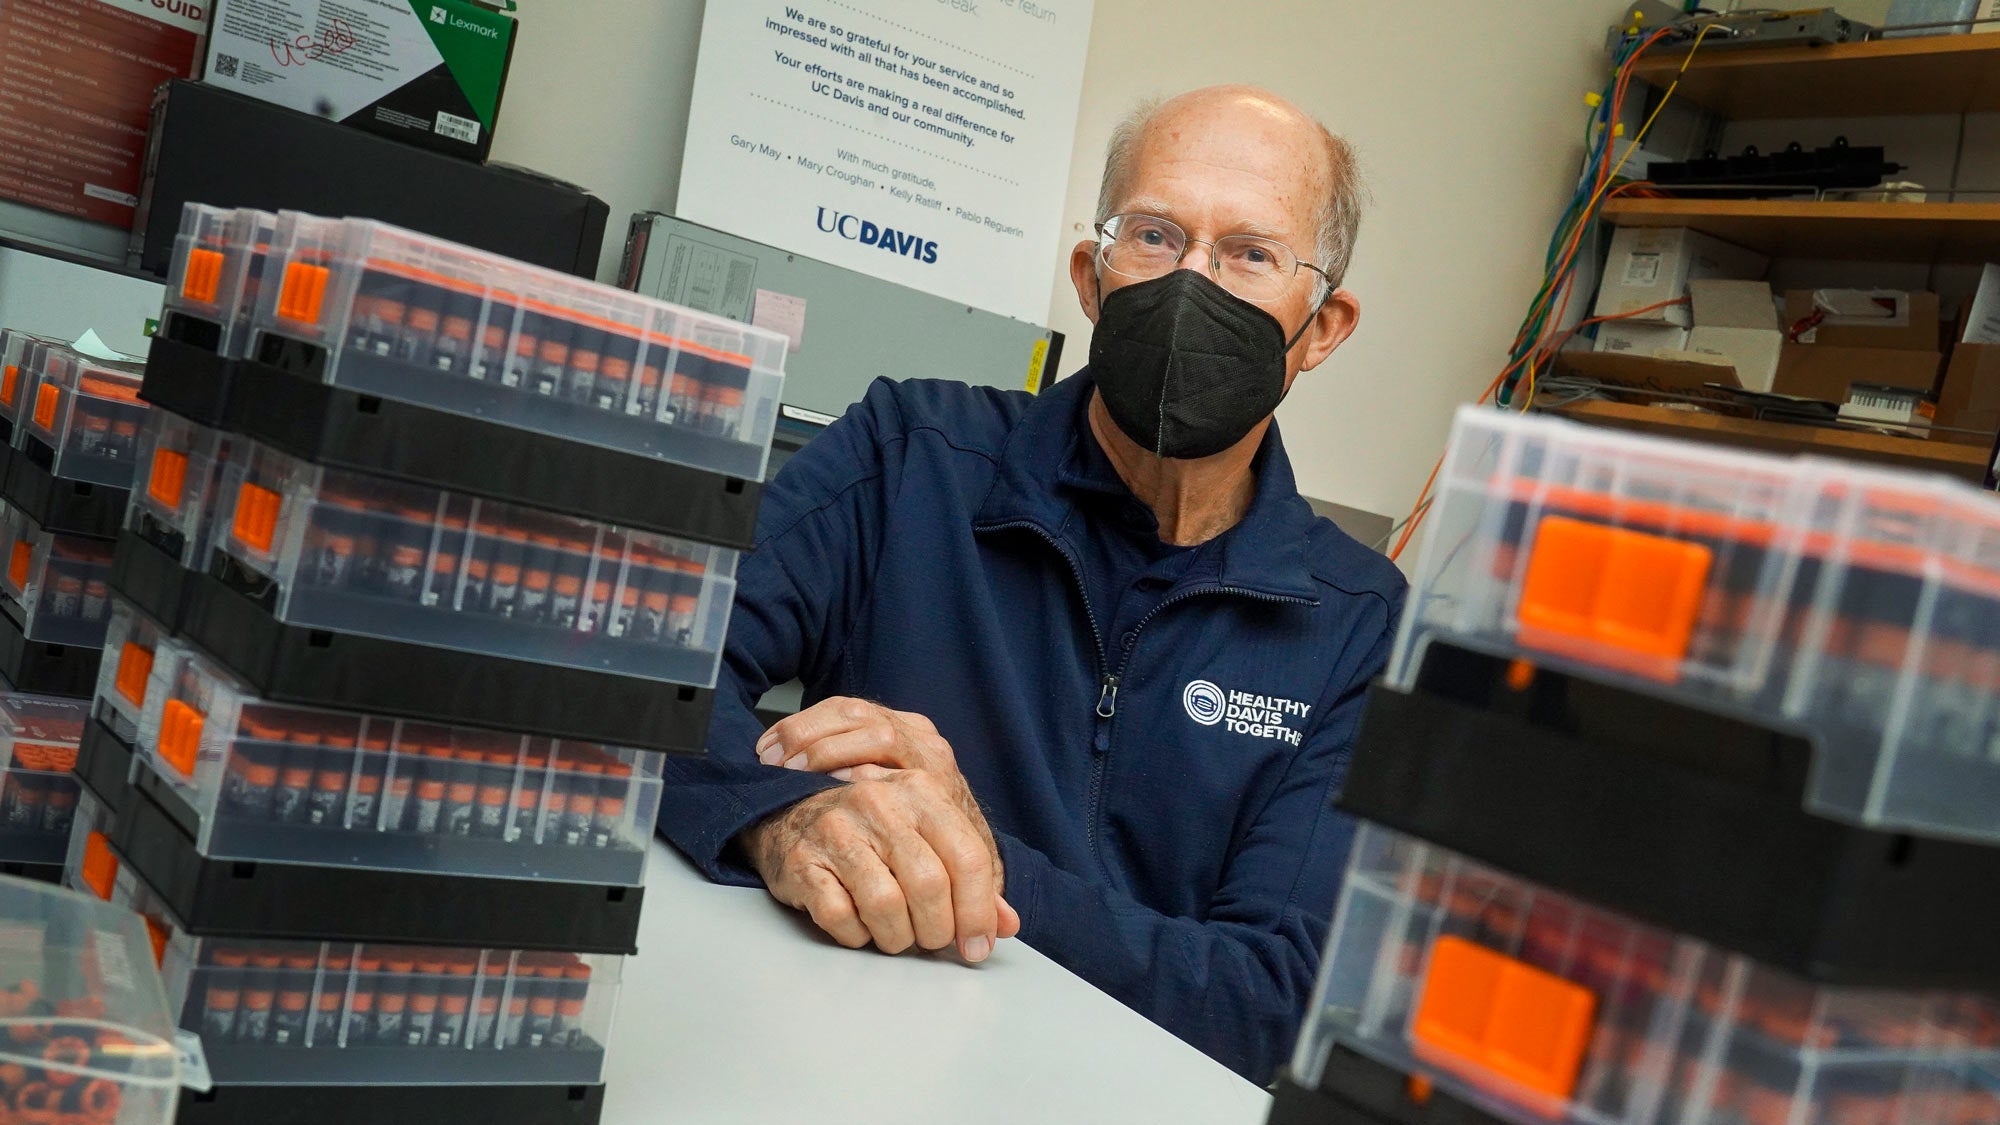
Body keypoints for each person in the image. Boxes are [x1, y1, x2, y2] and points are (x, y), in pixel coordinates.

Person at [655, 84, 1407, 1084]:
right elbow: (641, 666)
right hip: (833, 1060)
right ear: (1090, 278)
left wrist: (975, 856)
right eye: (1152, 234)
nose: (1190, 284)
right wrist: (779, 814)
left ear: (1320, 328)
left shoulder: (1360, 626)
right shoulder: (908, 457)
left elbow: (1267, 1003)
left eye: (1249, 254)